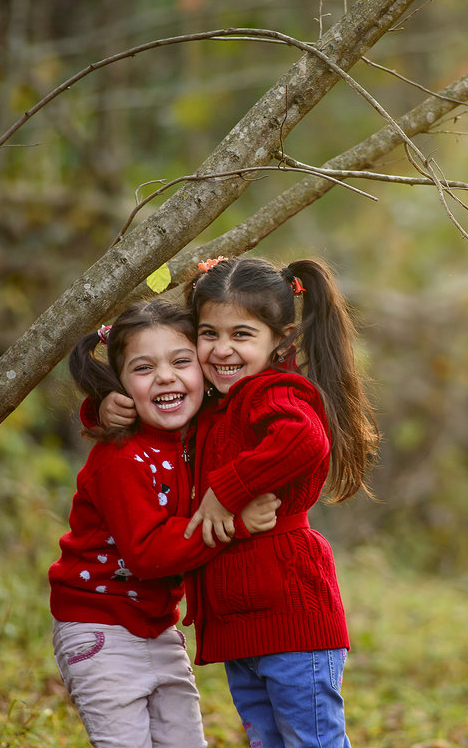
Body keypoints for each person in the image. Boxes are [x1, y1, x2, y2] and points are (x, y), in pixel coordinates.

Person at [99, 256, 378, 748]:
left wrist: (224, 491)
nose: (222, 349)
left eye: (242, 335)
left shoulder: (273, 393)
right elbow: (158, 407)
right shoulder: (214, 403)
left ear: (281, 339)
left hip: (293, 621)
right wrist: (103, 406)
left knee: (311, 741)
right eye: (208, 333)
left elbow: (304, 439)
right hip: (240, 627)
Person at [49, 297, 281, 748]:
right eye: (143, 368)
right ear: (120, 386)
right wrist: (234, 523)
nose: (166, 377)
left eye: (182, 360)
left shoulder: (198, 433)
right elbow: (148, 553)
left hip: (159, 626)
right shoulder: (120, 458)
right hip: (99, 629)